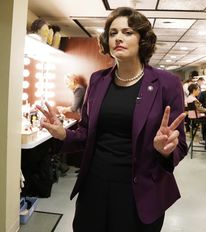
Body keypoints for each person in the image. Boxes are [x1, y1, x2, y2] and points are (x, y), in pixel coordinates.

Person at [37, 7, 187, 232]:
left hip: (139, 190)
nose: (118, 37)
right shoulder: (98, 80)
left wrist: (165, 149)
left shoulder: (166, 83)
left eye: (127, 32)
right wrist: (63, 134)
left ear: (142, 39)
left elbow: (179, 145)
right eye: (113, 32)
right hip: (94, 184)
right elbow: (86, 132)